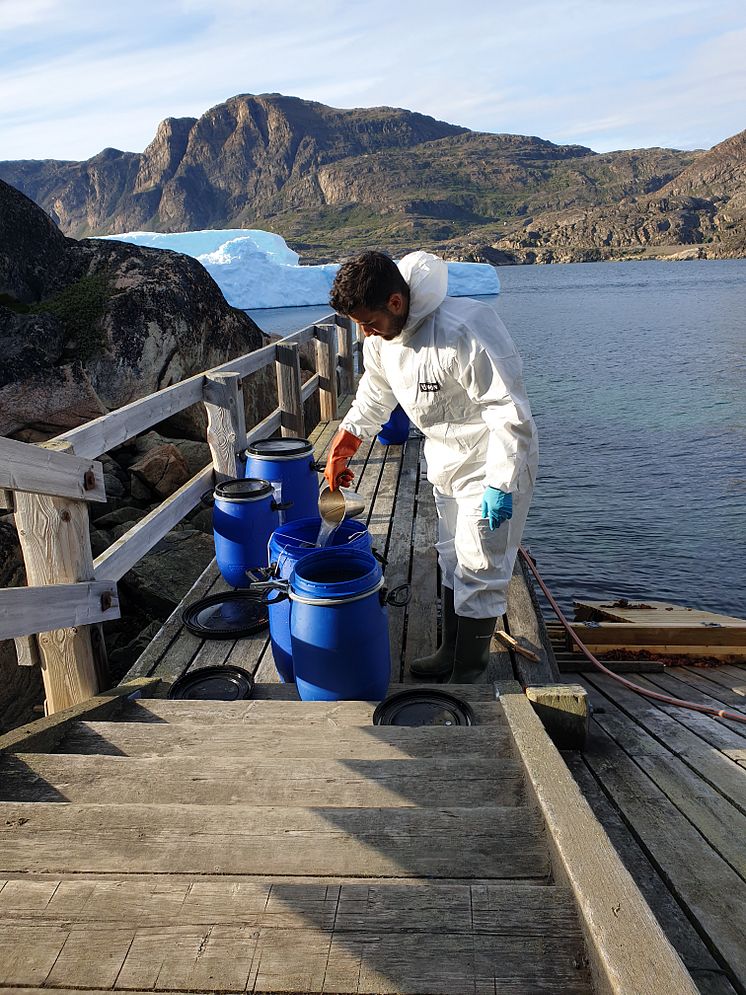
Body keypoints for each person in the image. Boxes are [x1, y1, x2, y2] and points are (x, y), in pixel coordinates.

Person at [324, 250, 538, 683]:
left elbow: (508, 411)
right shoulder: (381, 342)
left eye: (369, 321)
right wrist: (345, 441)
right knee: (451, 555)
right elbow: (374, 393)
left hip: (491, 459)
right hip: (444, 459)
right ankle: (449, 650)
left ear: (396, 302)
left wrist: (502, 481)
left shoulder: (465, 327)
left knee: (480, 563)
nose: (365, 333)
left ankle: (468, 672)